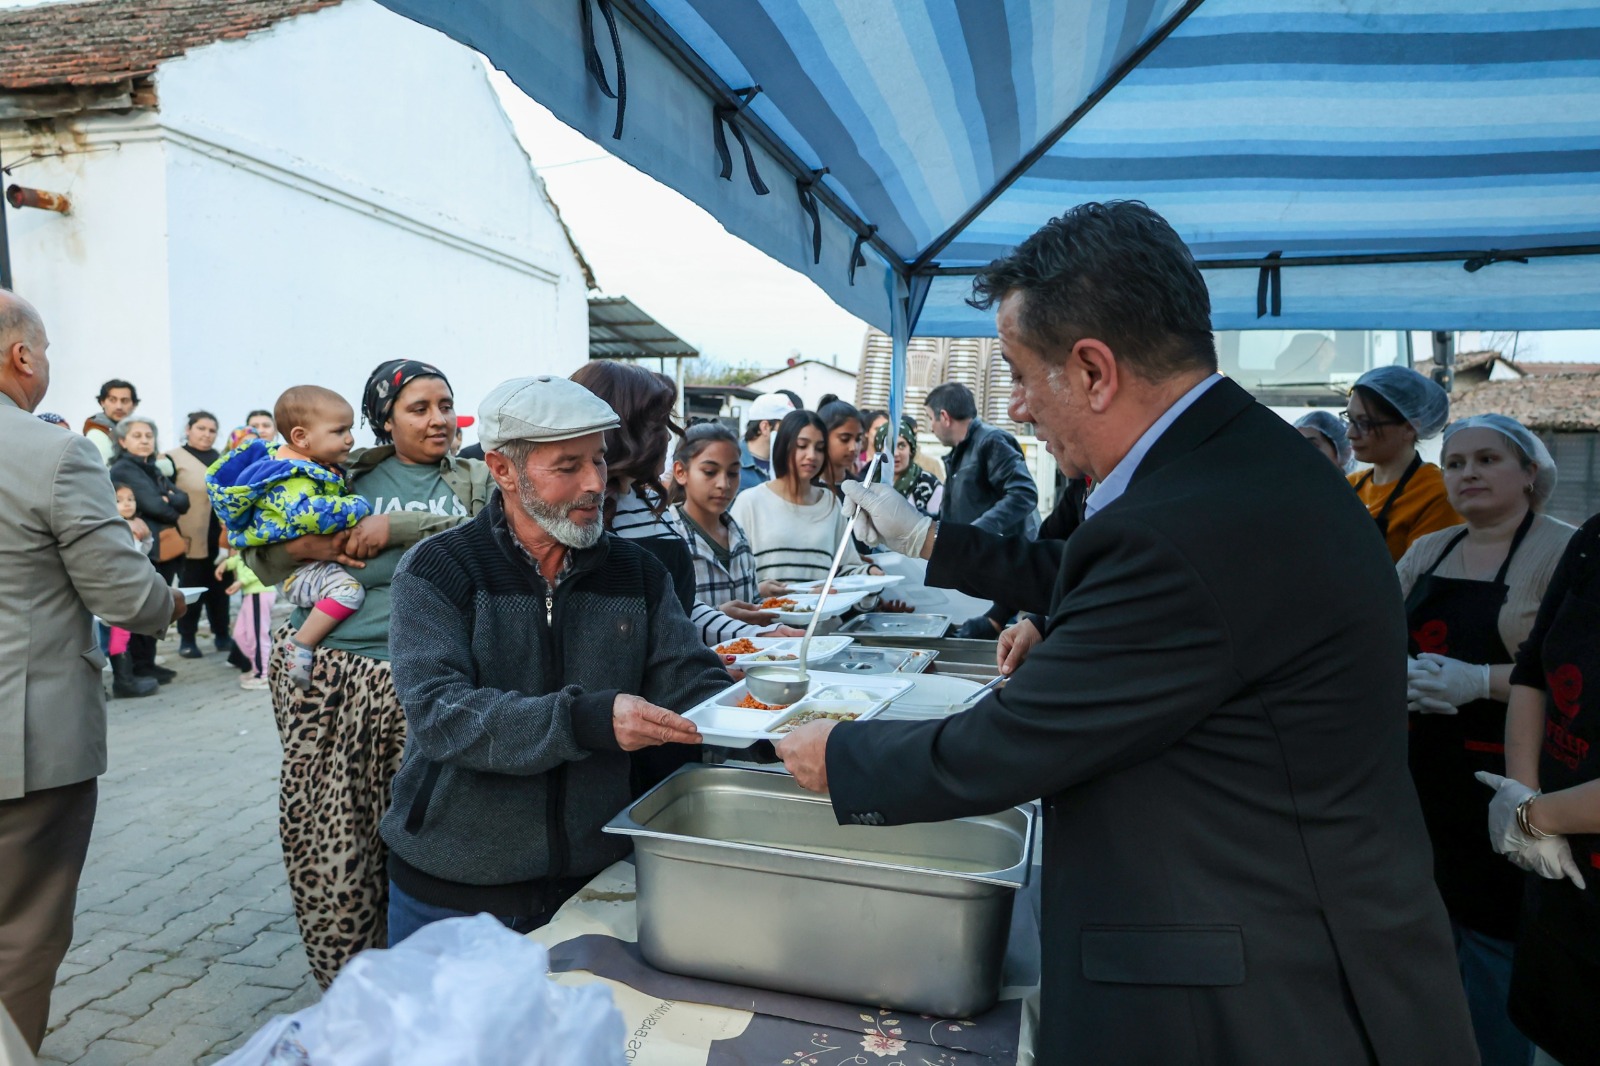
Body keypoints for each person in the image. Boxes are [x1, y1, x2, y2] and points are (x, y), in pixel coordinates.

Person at [776, 201, 1475, 1064]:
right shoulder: (1240, 463)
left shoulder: (1186, 519)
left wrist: (838, 757)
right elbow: (1124, 603)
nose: (1022, 409)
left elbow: (1017, 742)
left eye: (1024, 377)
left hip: (1265, 992)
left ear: (1095, 371)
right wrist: (1056, 622)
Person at [381, 375, 729, 943]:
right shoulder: (439, 570)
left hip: (595, 885)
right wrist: (583, 720)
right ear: (502, 471)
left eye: (598, 460)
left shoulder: (637, 573)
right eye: (568, 467)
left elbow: (687, 683)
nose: (595, 483)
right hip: (454, 891)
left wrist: (762, 716)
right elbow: (442, 715)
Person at [242, 359, 491, 987]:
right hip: (332, 681)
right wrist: (325, 542)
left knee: (428, 845)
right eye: (418, 408)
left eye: (445, 405)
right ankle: (351, 996)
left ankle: (429, 988)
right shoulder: (338, 475)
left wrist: (395, 527)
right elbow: (265, 551)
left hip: (430, 683)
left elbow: (488, 533)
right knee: (335, 854)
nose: (438, 420)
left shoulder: (474, 480)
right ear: (383, 417)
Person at [0, 291, 183, 1052]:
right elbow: (126, 596)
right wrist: (169, 601)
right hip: (25, 746)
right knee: (18, 936)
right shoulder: (51, 452)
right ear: (21, 356)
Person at [1393, 414, 1575, 1065]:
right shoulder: (1429, 550)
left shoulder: (1566, 552)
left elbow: (1575, 677)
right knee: (1431, 945)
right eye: (1455, 463)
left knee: (1497, 947)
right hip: (1424, 777)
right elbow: (1380, 633)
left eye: (1487, 460)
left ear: (1531, 472)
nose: (1467, 473)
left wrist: (1478, 682)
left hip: (1510, 779)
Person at [1479, 511, 1600, 1066]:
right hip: (1563, 889)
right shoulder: (1594, 537)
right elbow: (1534, 672)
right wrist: (1520, 794)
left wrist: (1534, 818)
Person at [572, 361, 785, 645]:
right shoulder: (581, 514)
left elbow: (678, 610)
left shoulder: (647, 504)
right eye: (657, 423)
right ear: (620, 428)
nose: (668, 435)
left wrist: (762, 636)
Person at [209, 386, 373, 690]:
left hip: (301, 565)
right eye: (340, 431)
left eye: (350, 429)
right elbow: (312, 515)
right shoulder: (291, 476)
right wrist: (360, 505)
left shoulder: (305, 464)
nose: (350, 438)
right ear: (301, 437)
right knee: (349, 593)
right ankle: (300, 644)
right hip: (300, 571)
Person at [730, 410, 882, 587]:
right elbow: (732, 575)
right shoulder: (749, 502)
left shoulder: (831, 503)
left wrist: (869, 575)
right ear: (783, 446)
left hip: (822, 614)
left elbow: (845, 570)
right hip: (766, 613)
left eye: (819, 448)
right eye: (802, 446)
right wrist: (757, 593)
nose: (812, 455)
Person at [665, 422, 790, 632]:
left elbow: (752, 601)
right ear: (680, 472)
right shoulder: (668, 536)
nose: (724, 484)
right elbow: (666, 623)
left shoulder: (738, 535)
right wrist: (719, 617)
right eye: (709, 472)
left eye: (732, 473)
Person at [1347, 365, 1461, 561]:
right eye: (1350, 419)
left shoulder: (1438, 494)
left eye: (1365, 423)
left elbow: (1419, 578)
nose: (1350, 433)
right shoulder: (1348, 485)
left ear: (1409, 428)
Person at [108, 415, 190, 685]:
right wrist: (169, 502)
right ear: (122, 441)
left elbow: (183, 500)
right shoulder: (124, 469)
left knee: (157, 607)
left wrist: (170, 501)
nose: (144, 441)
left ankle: (148, 663)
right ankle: (139, 667)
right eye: (137, 436)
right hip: (144, 550)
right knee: (146, 608)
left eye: (148, 436)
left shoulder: (151, 467)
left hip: (161, 547)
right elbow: (159, 507)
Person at [924, 381, 1038, 537]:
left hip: (1001, 556)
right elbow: (955, 517)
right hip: (975, 555)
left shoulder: (992, 441)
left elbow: (1024, 494)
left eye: (931, 418)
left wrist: (975, 533)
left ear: (944, 417)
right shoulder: (958, 455)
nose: (931, 427)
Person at [164, 411, 231, 659]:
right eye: (201, 428)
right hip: (190, 536)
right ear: (188, 430)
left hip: (221, 537)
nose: (206, 434)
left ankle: (222, 634)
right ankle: (187, 638)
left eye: (212, 430)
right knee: (191, 589)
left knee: (221, 589)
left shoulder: (223, 459)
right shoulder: (172, 459)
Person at [106, 484, 160, 699]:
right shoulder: (113, 527)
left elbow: (143, 553)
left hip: (131, 585)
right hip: (119, 587)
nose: (126, 503)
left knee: (124, 631)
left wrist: (145, 537)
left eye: (130, 499)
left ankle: (127, 676)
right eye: (119, 500)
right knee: (119, 631)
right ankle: (123, 681)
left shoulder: (134, 524)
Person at [220, 550, 274, 691]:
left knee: (257, 635)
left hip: (259, 590)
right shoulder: (243, 541)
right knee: (240, 634)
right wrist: (226, 563)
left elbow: (261, 564)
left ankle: (264, 674)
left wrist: (241, 581)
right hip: (250, 592)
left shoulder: (257, 539)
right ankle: (258, 667)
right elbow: (240, 557)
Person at [875, 415, 942, 517]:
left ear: (911, 450)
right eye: (889, 446)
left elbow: (938, 527)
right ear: (880, 450)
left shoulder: (927, 484)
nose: (896, 453)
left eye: (902, 446)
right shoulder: (870, 481)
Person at [738, 392, 795, 493]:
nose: (793, 432)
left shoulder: (789, 464)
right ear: (765, 427)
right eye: (786, 426)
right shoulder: (733, 463)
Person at [816, 394, 866, 493]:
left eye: (858, 439)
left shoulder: (861, 491)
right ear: (822, 436)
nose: (853, 448)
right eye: (845, 439)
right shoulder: (803, 487)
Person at [82, 378, 138, 464]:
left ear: (134, 405)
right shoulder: (97, 433)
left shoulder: (137, 429)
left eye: (125, 401)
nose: (119, 406)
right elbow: (106, 469)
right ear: (102, 402)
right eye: (112, 400)